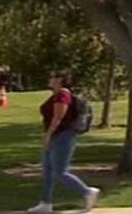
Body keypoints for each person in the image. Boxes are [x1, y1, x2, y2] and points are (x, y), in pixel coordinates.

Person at [28, 70, 99, 214]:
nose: (50, 79)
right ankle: (45, 203)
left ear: (60, 79)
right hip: (55, 136)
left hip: (63, 136)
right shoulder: (56, 95)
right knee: (47, 172)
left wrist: (48, 135)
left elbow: (58, 117)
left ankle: (87, 191)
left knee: (59, 173)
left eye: (53, 77)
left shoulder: (63, 94)